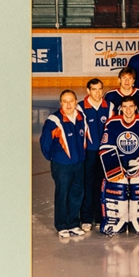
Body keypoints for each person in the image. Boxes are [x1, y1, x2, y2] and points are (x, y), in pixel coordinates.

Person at [98, 95, 139, 236]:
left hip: (138, 163)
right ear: (121, 108)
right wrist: (118, 168)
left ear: (136, 107)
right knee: (116, 180)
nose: (128, 110)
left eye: (131, 106)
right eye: (125, 107)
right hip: (119, 165)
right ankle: (116, 218)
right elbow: (105, 148)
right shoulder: (112, 123)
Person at [40, 90, 88, 238]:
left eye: (71, 101)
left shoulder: (81, 117)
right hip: (62, 166)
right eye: (65, 101)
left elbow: (84, 138)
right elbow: (45, 145)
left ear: (75, 102)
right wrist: (56, 159)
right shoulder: (53, 121)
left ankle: (74, 223)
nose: (68, 104)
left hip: (79, 163)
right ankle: (62, 225)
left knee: (77, 194)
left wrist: (81, 156)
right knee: (63, 194)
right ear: (61, 103)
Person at [77, 79, 114, 231]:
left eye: (100, 89)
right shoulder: (80, 107)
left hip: (104, 153)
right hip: (89, 153)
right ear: (88, 91)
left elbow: (112, 129)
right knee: (87, 184)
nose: (97, 93)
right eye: (94, 89)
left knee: (102, 185)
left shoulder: (109, 106)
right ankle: (86, 218)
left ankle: (100, 217)